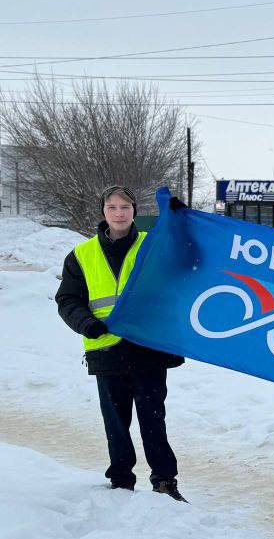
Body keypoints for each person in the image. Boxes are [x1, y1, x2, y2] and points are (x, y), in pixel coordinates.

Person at [55, 185, 186, 500]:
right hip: (106, 350)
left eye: (125, 207)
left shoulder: (153, 245)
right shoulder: (81, 255)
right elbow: (68, 299)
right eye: (112, 207)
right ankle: (121, 480)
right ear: (103, 212)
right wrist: (86, 323)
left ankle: (165, 481)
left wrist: (182, 222)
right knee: (116, 421)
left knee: (153, 418)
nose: (118, 213)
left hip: (148, 348)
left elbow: (189, 262)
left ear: (134, 212)